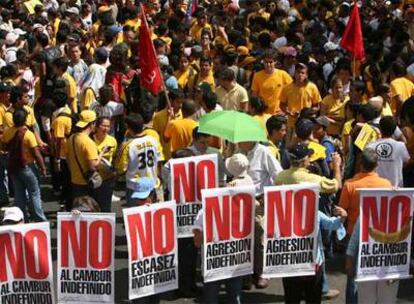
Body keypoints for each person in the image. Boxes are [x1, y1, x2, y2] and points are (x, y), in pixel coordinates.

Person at [275, 143, 345, 302]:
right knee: (313, 296)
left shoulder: (280, 177)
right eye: (308, 156)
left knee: (291, 296)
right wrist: (336, 166)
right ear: (304, 160)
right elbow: (337, 185)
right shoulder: (314, 179)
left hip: (288, 244)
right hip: (310, 242)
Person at [193, 153, 253, 304]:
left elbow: (197, 242)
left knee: (211, 298)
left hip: (213, 264)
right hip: (236, 260)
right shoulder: (247, 202)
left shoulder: (205, 210)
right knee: (234, 297)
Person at [339, 147, 392, 303]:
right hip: (377, 236)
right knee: (373, 275)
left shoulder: (350, 185)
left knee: (352, 277)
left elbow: (342, 211)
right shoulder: (387, 184)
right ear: (377, 165)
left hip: (353, 236)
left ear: (360, 164)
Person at [1, 109, 47, 222]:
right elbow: (36, 154)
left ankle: (22, 220)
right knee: (34, 193)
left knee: (19, 194)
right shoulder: (28, 134)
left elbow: (4, 146)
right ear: (25, 119)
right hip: (28, 167)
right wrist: (43, 167)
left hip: (13, 167)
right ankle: (40, 219)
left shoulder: (8, 132)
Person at [346, 218, 399, 304]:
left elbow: (404, 246)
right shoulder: (363, 217)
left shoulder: (398, 219)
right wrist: (349, 265)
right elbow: (353, 244)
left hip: (389, 273)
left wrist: (400, 270)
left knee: (387, 301)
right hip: (366, 273)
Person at [115, 113, 162, 206]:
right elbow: (160, 160)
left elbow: (120, 169)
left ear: (128, 128)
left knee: (135, 217)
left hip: (135, 187)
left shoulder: (127, 145)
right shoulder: (153, 140)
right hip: (152, 184)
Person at [66, 110, 103, 209]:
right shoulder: (88, 142)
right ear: (92, 124)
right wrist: (101, 155)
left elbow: (68, 159)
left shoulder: (72, 138)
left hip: (75, 180)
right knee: (89, 209)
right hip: (87, 183)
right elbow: (93, 166)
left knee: (78, 209)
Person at [280, 63, 322, 143]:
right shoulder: (287, 88)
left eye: (302, 73)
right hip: (292, 124)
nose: (300, 75)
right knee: (289, 147)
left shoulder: (312, 87)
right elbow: (282, 105)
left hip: (307, 125)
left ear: (306, 75)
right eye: (298, 72)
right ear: (294, 73)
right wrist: (289, 112)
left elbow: (317, 106)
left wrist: (306, 113)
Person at [367, 116, 410, 187]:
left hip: (375, 189)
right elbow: (406, 162)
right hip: (396, 189)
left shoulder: (370, 146)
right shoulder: (401, 146)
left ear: (380, 128)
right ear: (394, 130)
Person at [251, 50, 292, 115]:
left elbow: (292, 92)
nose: (268, 64)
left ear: (275, 62)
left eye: (271, 62)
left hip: (278, 114)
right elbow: (254, 95)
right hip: (262, 114)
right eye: (266, 62)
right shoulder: (257, 76)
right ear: (263, 62)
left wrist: (285, 109)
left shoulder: (283, 74)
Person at [92, 117, 118, 212]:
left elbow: (115, 157)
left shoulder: (112, 140)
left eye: (108, 126)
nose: (106, 128)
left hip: (107, 179)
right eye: (103, 126)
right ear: (96, 127)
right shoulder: (90, 140)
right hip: (93, 179)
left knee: (106, 208)